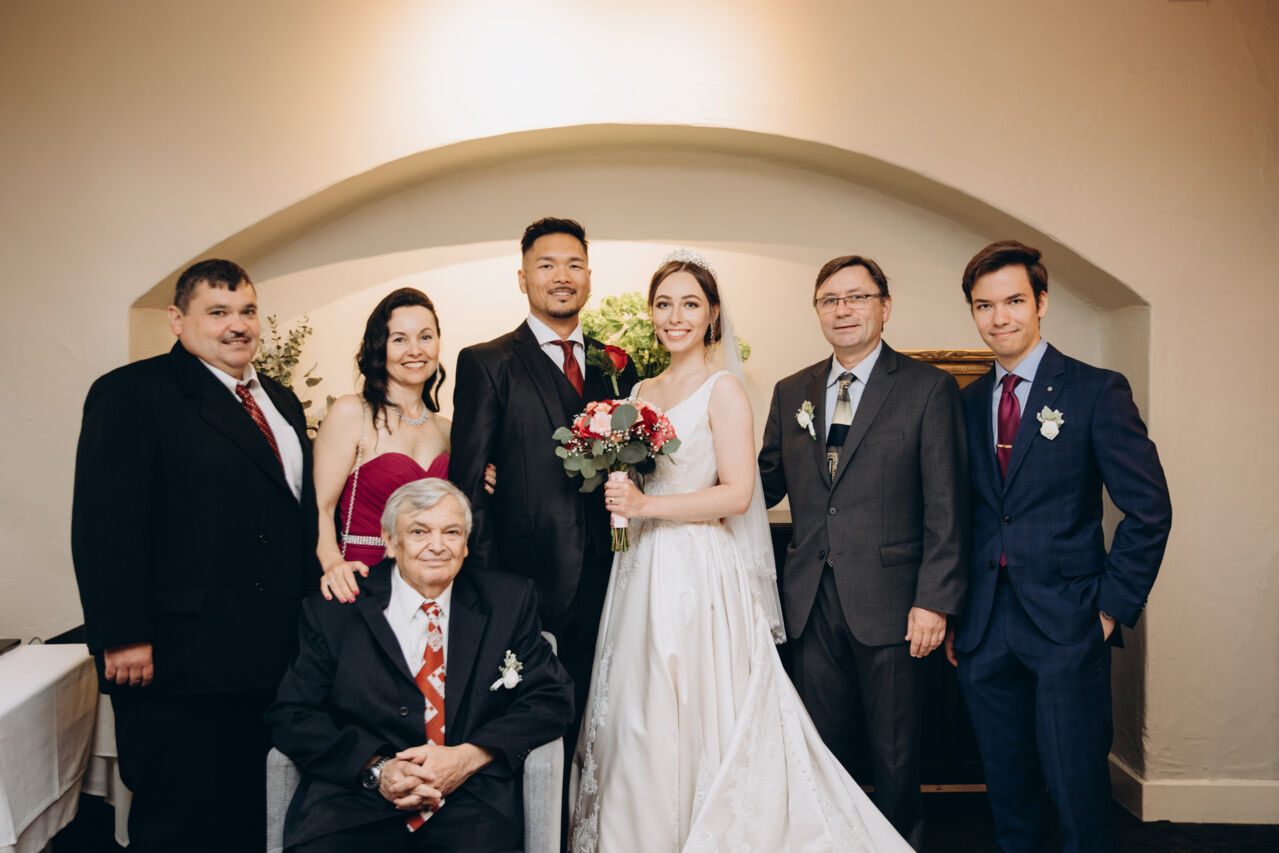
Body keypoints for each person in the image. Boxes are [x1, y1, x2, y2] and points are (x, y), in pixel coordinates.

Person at [569, 251, 912, 852]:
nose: (675, 316)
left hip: (698, 567)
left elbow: (738, 492)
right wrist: (620, 488)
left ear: (713, 314)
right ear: (651, 313)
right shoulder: (640, 391)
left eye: (690, 304)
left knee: (697, 703)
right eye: (664, 304)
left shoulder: (723, 388)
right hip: (641, 566)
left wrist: (646, 506)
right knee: (641, 706)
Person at [71, 259, 317, 852]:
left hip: (270, 653)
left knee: (251, 814)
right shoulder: (131, 393)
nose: (238, 325)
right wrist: (123, 633)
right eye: (218, 312)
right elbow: (105, 523)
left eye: (247, 311)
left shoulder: (281, 400)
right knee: (181, 818)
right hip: (179, 657)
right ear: (177, 320)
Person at [944, 240, 1171, 853]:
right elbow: (958, 516)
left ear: (1041, 302)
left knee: (1077, 790)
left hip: (1069, 621)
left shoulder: (1096, 390)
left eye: (1014, 301)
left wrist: (1109, 610)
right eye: (984, 305)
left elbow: (1149, 509)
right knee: (1008, 790)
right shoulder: (964, 404)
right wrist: (956, 611)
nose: (1000, 318)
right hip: (984, 627)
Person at [757, 255, 968, 848]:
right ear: (818, 311)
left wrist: (935, 600)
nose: (843, 310)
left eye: (856, 297)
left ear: (885, 306)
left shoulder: (927, 388)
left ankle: (899, 843)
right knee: (821, 747)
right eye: (830, 300)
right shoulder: (792, 390)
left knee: (896, 751)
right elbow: (762, 485)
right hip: (809, 597)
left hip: (895, 601)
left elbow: (947, 504)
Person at [267, 478, 574, 852]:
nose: (437, 545)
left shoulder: (508, 601)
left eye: (451, 532)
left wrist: (467, 757)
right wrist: (377, 768)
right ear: (389, 540)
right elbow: (293, 715)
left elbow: (552, 698)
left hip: (470, 804)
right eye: (419, 531)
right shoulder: (336, 609)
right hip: (354, 807)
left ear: (466, 543)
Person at [450, 217, 638, 754]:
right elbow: (468, 485)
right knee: (526, 723)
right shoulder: (486, 362)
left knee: (602, 720)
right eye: (547, 265)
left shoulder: (616, 364)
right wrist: (488, 585)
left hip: (611, 572)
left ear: (589, 278)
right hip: (523, 577)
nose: (562, 276)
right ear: (523, 278)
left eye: (574, 265)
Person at [313, 287, 451, 604]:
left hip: (432, 586)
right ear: (380, 347)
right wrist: (332, 563)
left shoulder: (447, 430)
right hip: (361, 580)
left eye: (425, 337)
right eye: (399, 339)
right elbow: (320, 506)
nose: (415, 350)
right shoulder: (352, 413)